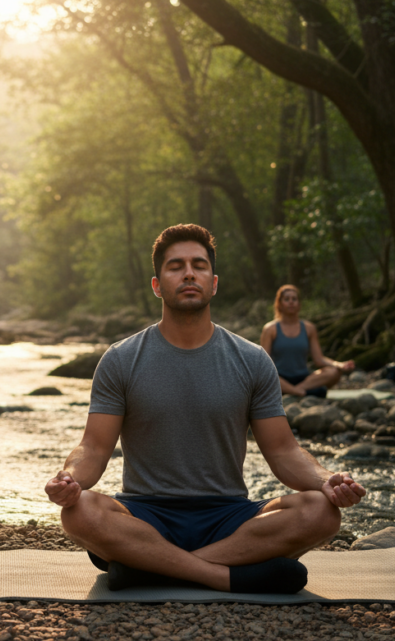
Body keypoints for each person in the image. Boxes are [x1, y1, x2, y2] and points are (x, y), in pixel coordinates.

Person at [44, 224, 366, 594]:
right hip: (145, 514)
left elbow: (283, 451)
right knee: (80, 512)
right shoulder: (121, 359)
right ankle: (225, 574)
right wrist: (70, 479)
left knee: (322, 512)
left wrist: (327, 481)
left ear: (213, 283)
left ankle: (151, 568)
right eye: (175, 266)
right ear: (156, 284)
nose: (188, 273)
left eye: (198, 265)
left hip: (228, 515)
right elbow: (95, 449)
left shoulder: (252, 360)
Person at [260, 284, 355, 398]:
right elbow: (263, 364)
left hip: (304, 379)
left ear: (299, 304)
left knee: (334, 372)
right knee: (264, 374)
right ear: (279, 304)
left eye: (294, 299)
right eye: (287, 299)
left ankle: (296, 390)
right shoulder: (270, 329)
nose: (291, 302)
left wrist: (340, 365)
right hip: (280, 379)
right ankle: (295, 391)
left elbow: (319, 360)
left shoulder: (309, 328)